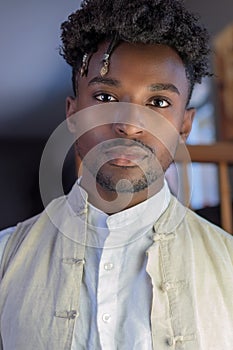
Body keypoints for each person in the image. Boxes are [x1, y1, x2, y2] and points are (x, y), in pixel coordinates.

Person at [0, 0, 233, 349]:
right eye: (106, 96)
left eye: (158, 103)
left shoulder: (229, 266)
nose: (129, 125)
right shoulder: (5, 259)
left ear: (184, 126)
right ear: (73, 115)